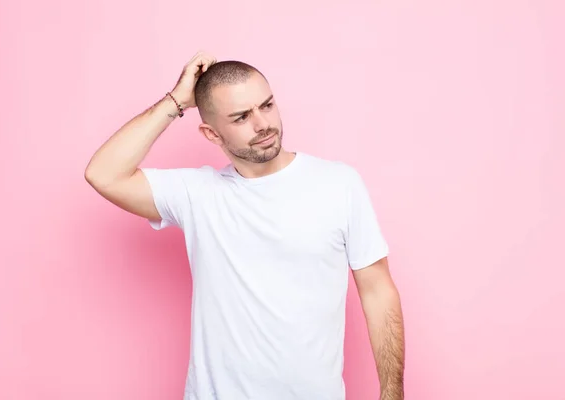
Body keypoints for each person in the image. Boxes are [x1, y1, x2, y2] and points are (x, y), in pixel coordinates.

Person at [85, 51, 405, 400]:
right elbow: (103, 174)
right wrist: (177, 100)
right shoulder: (197, 194)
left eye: (266, 106)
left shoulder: (339, 184)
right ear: (211, 134)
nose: (262, 124)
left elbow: (377, 292)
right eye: (241, 117)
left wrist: (392, 393)